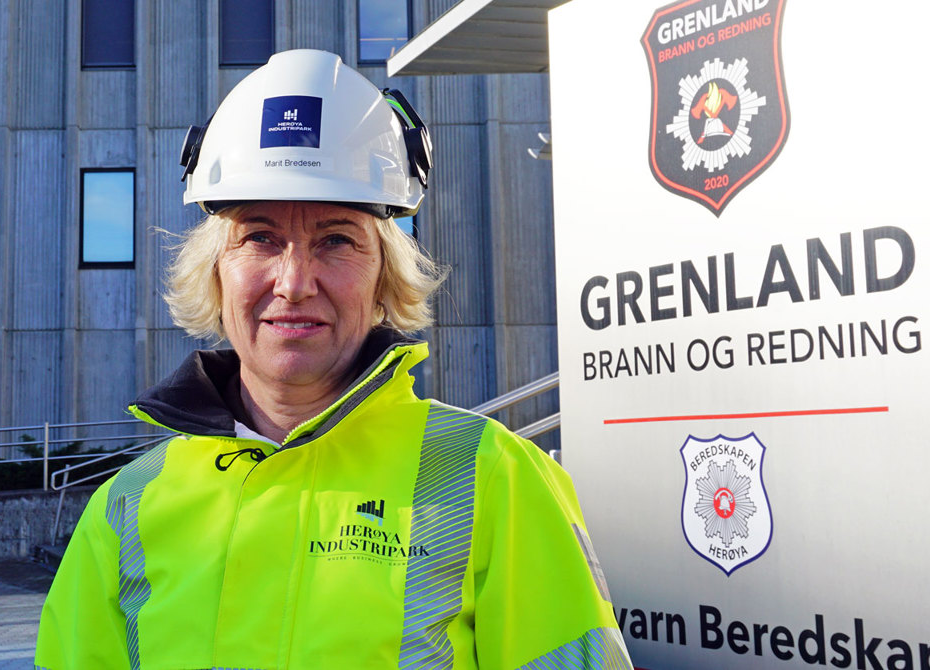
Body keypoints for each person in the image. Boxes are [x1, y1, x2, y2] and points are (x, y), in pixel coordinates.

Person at [35, 49, 631, 670]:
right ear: (215, 271)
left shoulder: (493, 480)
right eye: (259, 237)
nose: (294, 283)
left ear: (384, 278)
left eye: (337, 240)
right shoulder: (127, 508)